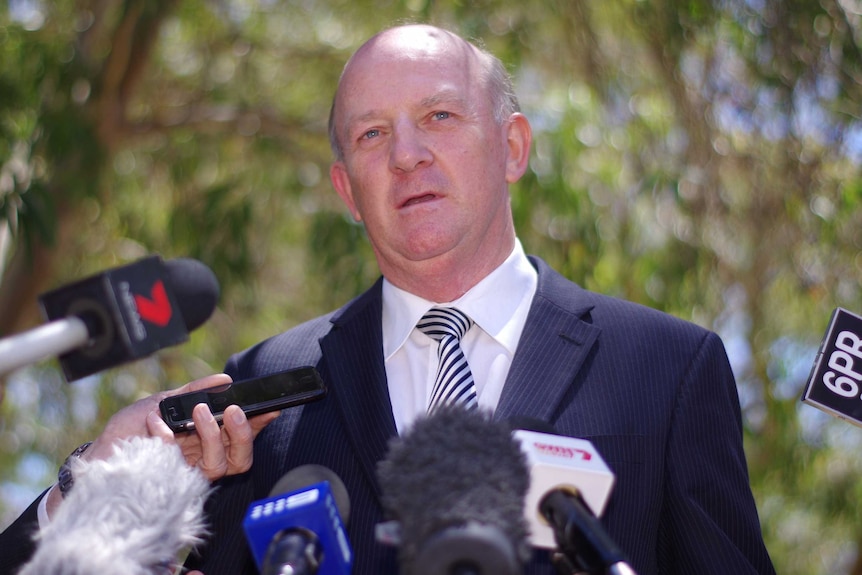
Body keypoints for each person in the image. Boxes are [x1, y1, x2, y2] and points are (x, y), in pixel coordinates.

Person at [0, 23, 776, 575]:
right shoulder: (264, 386)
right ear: (346, 188)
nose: (408, 155)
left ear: (512, 147)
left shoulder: (668, 370)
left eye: (440, 116)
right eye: (372, 135)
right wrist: (91, 482)